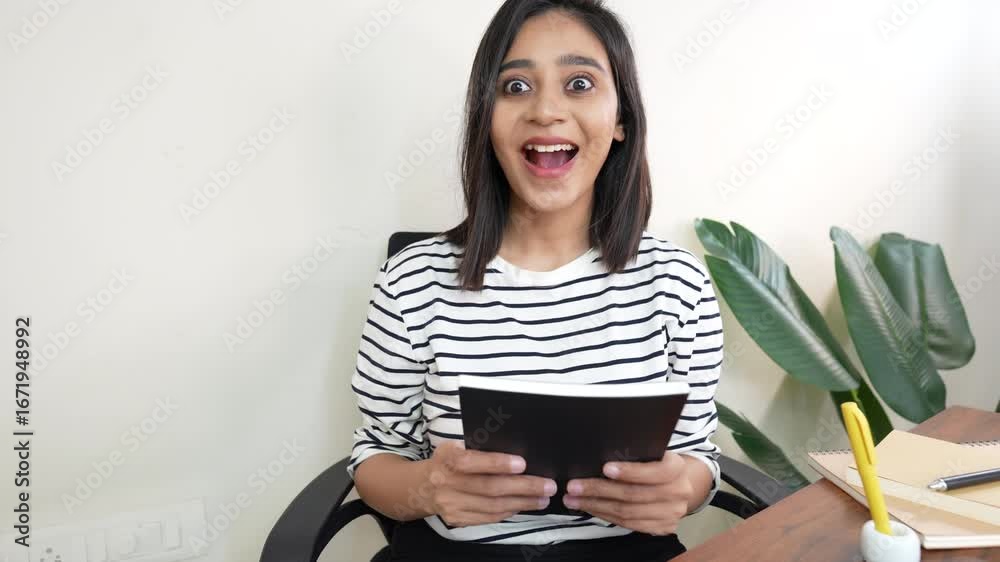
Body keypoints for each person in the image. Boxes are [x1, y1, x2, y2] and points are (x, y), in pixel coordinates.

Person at [347, 1, 724, 560]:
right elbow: (376, 454)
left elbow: (697, 457)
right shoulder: (412, 279)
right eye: (516, 87)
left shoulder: (678, 283)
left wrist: (681, 490)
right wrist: (427, 487)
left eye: (579, 84)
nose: (546, 111)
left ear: (621, 119)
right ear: (486, 119)